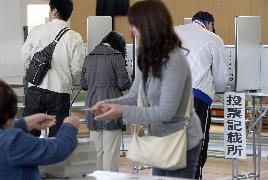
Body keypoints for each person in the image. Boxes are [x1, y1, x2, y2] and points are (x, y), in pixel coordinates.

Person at [91, 0, 203, 178]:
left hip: (183, 141)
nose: (131, 31)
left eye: (134, 26)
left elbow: (166, 112)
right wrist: (108, 104)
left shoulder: (175, 60)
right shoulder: (146, 57)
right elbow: (135, 96)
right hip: (160, 140)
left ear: (148, 26)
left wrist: (122, 111)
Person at [0, 79, 80, 180]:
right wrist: (70, 126)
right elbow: (57, 150)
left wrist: (25, 123)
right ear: (10, 113)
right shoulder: (12, 141)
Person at [175, 11, 229, 179]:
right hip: (197, 97)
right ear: (209, 24)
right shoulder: (213, 38)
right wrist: (218, 89)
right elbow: (221, 78)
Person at [22, 0, 84, 137]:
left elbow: (25, 57)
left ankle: (33, 158)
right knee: (57, 138)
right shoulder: (74, 37)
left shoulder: (36, 31)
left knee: (28, 137)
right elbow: (77, 69)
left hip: (35, 89)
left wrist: (34, 74)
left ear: (54, 11)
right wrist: (68, 82)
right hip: (60, 92)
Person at [80, 31, 131, 172]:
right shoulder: (117, 56)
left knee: (96, 153)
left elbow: (83, 84)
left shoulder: (89, 57)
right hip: (111, 110)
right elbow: (123, 84)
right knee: (111, 153)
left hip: (93, 109)